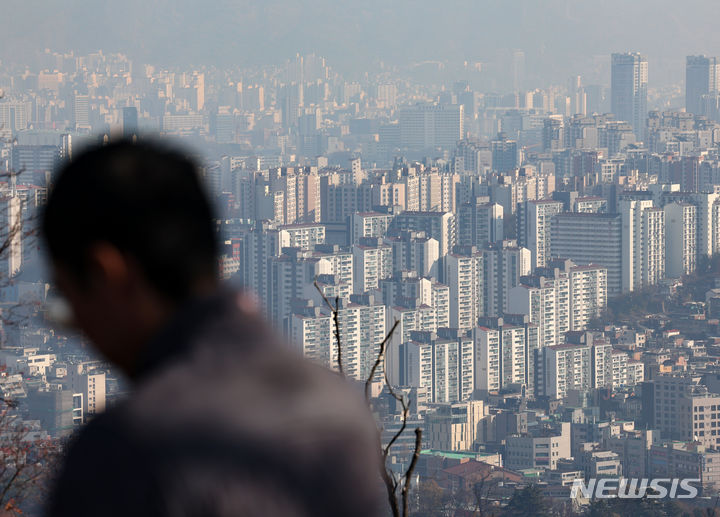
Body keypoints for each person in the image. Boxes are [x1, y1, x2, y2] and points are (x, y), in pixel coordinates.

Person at [43, 141, 384, 516]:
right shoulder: (339, 409)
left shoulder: (124, 453)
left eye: (67, 300)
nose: (78, 328)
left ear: (105, 273)